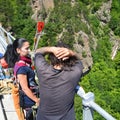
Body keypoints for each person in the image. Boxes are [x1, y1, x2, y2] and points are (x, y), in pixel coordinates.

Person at [34, 41, 84, 120]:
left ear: (51, 58)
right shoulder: (74, 73)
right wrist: (72, 53)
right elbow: (80, 61)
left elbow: (38, 52)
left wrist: (51, 49)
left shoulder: (42, 70)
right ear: (69, 59)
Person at [4, 38, 40, 120]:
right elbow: (25, 88)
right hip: (30, 101)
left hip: (30, 99)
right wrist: (36, 100)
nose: (29, 50)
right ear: (18, 50)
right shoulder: (22, 68)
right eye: (26, 48)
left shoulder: (25, 63)